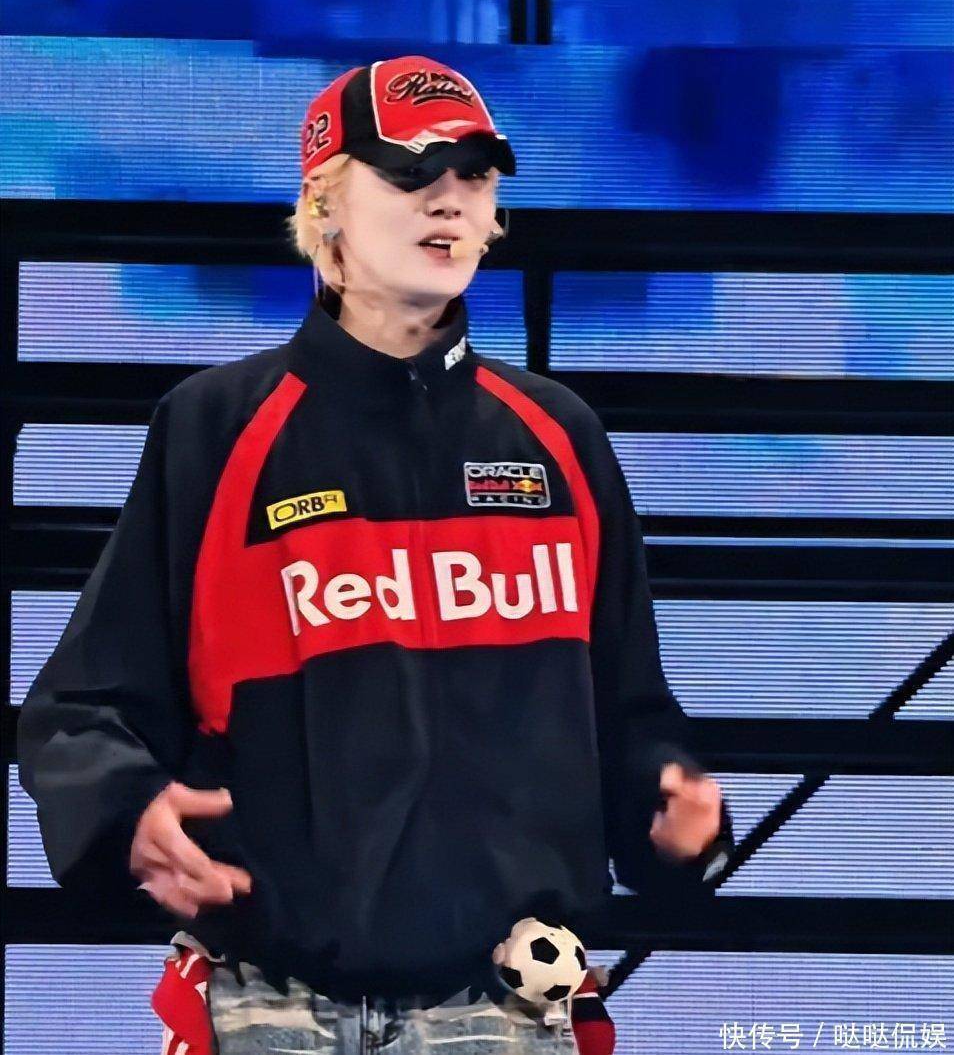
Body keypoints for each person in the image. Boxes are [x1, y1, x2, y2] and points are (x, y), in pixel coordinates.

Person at [17, 55, 734, 1054]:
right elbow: (83, 710)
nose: (449, 198)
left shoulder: (559, 437)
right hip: (268, 1001)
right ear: (325, 209)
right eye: (410, 172)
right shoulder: (217, 429)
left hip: (505, 1008)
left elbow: (631, 720)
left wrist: (677, 823)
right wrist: (124, 810)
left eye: (475, 174)